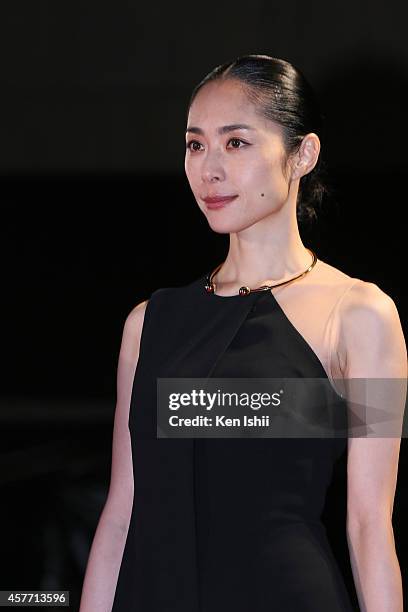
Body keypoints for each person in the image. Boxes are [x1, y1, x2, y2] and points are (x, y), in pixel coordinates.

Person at [79, 55, 407, 611]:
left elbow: (369, 525)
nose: (208, 169)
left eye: (236, 143)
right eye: (194, 144)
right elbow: (122, 512)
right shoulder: (149, 324)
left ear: (302, 154)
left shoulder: (361, 315)